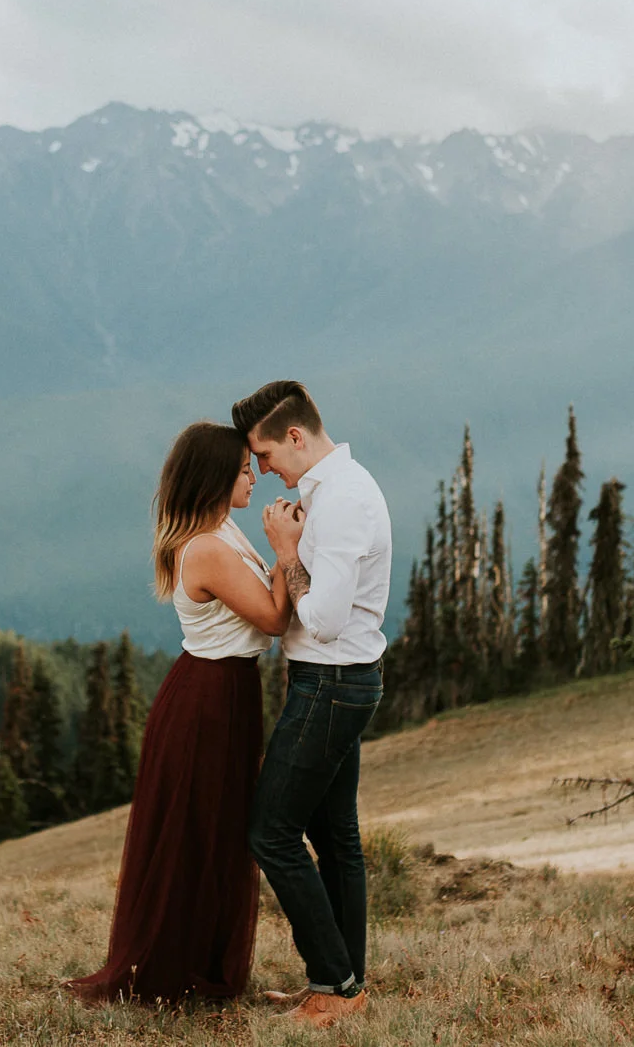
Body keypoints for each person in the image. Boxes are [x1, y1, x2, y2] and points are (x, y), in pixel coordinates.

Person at [67, 421, 293, 1005]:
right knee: (196, 831)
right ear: (218, 476)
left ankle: (198, 958)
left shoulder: (219, 530)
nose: (254, 476)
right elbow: (270, 618)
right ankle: (173, 967)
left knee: (215, 830)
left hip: (225, 694)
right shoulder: (209, 548)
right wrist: (288, 553)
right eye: (245, 468)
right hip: (208, 700)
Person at [232, 380, 391, 1030]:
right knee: (335, 835)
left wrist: (286, 553)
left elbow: (322, 619)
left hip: (330, 681)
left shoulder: (344, 500)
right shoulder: (326, 493)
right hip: (338, 680)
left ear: (295, 436)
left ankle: (335, 980)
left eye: (266, 453)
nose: (263, 469)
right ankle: (343, 982)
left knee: (269, 829)